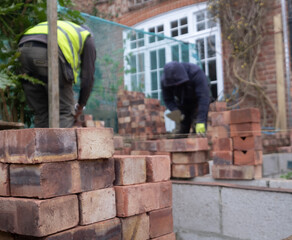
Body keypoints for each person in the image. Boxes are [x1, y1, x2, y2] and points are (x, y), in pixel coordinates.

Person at [18, 20, 96, 128]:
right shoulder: (88, 38)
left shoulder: (67, 28)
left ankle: (43, 144)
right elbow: (88, 78)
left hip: (22, 49)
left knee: (42, 113)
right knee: (64, 111)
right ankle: (59, 145)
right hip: (48, 49)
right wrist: (81, 105)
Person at [161, 61, 210, 136]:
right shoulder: (165, 81)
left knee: (198, 133)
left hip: (197, 102)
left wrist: (201, 120)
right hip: (181, 103)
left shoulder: (196, 73)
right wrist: (175, 110)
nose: (177, 86)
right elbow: (168, 99)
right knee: (180, 133)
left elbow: (203, 97)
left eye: (179, 84)